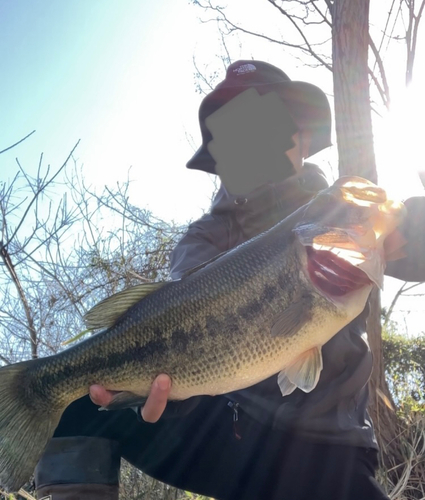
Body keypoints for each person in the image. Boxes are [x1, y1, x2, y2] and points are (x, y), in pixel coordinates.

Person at [35, 60, 422, 500]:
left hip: (330, 450)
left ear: (304, 136)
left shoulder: (340, 211)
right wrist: (168, 402)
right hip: (234, 438)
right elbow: (184, 334)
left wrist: (410, 228)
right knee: (71, 404)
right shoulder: (203, 238)